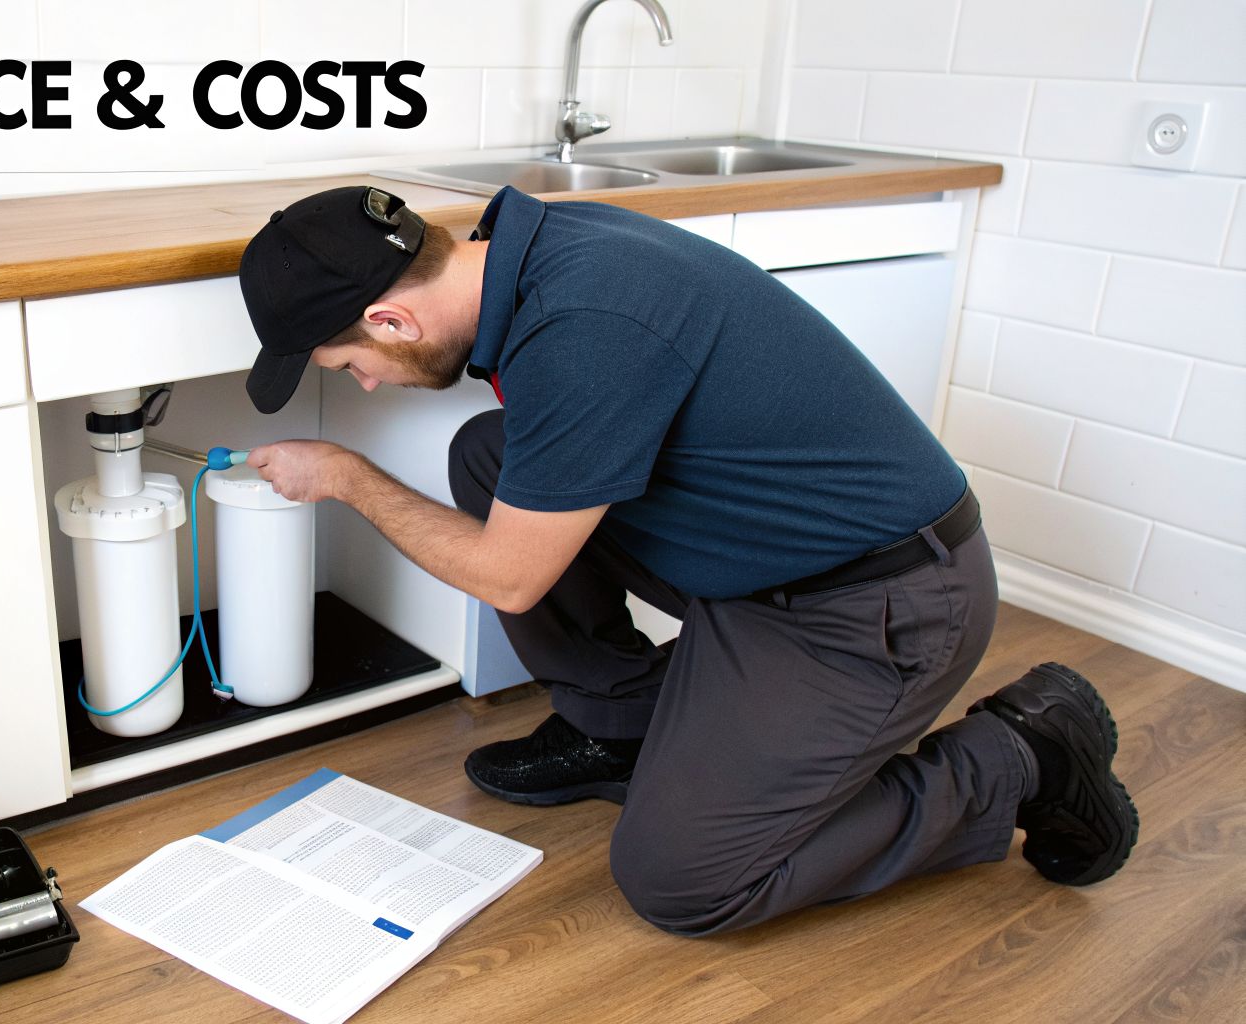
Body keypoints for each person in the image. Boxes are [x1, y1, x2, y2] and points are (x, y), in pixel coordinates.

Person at [233, 184, 1139, 936]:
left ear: (391, 318)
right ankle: (620, 727)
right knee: (491, 452)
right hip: (769, 562)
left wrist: (348, 479)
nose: (359, 381)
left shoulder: (583, 327)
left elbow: (509, 576)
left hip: (878, 609)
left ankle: (1020, 755)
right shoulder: (530, 244)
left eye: (346, 361)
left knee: (682, 881)